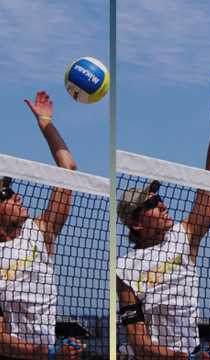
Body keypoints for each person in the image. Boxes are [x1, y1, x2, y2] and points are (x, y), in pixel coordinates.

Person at [116, 106, 210, 359]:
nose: (163, 205)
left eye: (160, 199)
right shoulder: (124, 268)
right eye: (152, 204)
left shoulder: (184, 236)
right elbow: (139, 343)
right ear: (136, 223)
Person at [0, 90, 81, 360]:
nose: (17, 195)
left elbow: (67, 167)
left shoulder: (40, 231)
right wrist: (47, 355)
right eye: (6, 194)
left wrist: (45, 122)